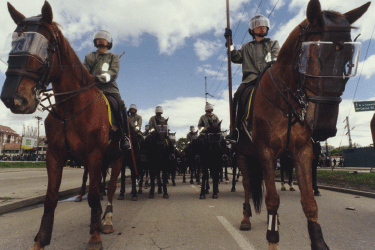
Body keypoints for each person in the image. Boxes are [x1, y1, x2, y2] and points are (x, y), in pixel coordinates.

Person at [224, 14, 280, 142]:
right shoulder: (246, 47)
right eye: (257, 26)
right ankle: (235, 131)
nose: (261, 28)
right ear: (252, 30)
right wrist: (230, 43)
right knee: (237, 96)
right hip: (251, 80)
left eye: (263, 25)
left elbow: (276, 59)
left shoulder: (273, 44)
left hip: (269, 79)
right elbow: (235, 57)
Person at [83, 30, 130, 150]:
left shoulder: (113, 56)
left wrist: (97, 78)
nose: (101, 39)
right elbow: (83, 71)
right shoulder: (89, 56)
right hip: (91, 89)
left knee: (119, 106)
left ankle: (124, 137)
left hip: (109, 90)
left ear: (109, 43)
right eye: (99, 38)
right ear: (95, 41)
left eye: (104, 38)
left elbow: (113, 73)